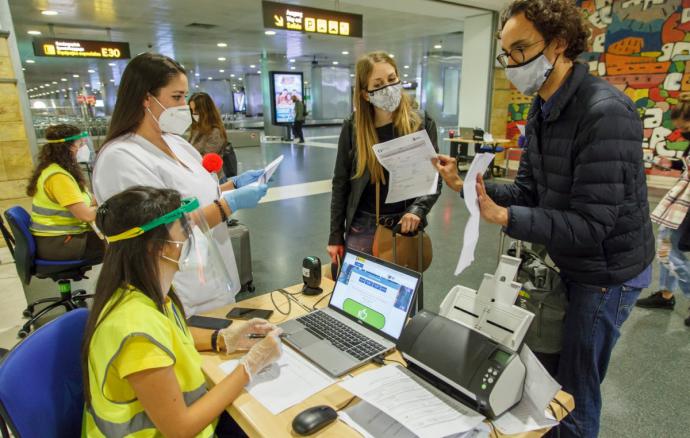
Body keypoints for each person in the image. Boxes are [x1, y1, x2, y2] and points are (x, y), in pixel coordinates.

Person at [433, 1, 654, 437]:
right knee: (547, 380)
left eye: (520, 49)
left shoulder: (605, 112)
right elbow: (528, 192)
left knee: (574, 391)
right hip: (567, 262)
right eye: (505, 52)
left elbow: (593, 225)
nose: (511, 63)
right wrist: (467, 187)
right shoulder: (541, 107)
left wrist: (506, 217)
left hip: (606, 273)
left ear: (559, 44)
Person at [81, 186, 282, 437]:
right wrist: (250, 366)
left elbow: (171, 338)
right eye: (184, 231)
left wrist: (222, 338)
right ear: (158, 246)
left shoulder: (145, 293)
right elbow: (180, 428)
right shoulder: (135, 329)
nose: (189, 238)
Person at [92, 52, 267, 315]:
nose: (184, 105)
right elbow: (158, 231)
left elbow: (198, 194)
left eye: (185, 95)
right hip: (179, 290)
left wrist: (233, 186)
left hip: (215, 278)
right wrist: (227, 206)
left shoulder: (177, 142)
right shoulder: (121, 158)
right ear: (145, 99)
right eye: (176, 97)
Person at [328, 51, 442, 264]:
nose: (388, 88)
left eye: (392, 79)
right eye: (378, 84)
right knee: (359, 294)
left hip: (405, 227)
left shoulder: (421, 122)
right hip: (362, 226)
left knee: (401, 294)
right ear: (365, 93)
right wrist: (335, 235)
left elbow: (435, 175)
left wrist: (418, 210)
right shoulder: (354, 128)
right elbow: (340, 183)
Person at [636, 96, 690, 327]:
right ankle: (666, 295)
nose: (682, 132)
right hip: (681, 202)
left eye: (685, 127)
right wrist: (667, 163)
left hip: (685, 206)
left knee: (670, 252)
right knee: (668, 248)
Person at [26, 124, 104, 261]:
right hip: (59, 243)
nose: (83, 148)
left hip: (58, 239)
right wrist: (113, 210)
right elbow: (86, 215)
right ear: (68, 148)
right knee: (121, 245)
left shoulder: (59, 170)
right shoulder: (58, 177)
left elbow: (89, 199)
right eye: (80, 145)